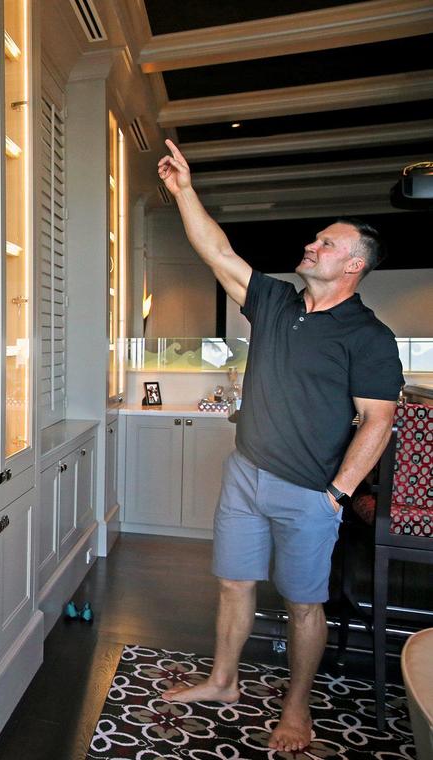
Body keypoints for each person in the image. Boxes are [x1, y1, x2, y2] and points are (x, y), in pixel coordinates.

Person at [156, 139, 404, 752]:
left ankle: (297, 710)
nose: (311, 246)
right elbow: (217, 251)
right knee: (234, 585)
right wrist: (185, 190)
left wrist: (336, 496)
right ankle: (223, 681)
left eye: (327, 243)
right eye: (314, 239)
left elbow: (378, 421)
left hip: (309, 493)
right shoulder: (275, 302)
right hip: (246, 474)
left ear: (354, 265)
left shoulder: (368, 336)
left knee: (302, 606)